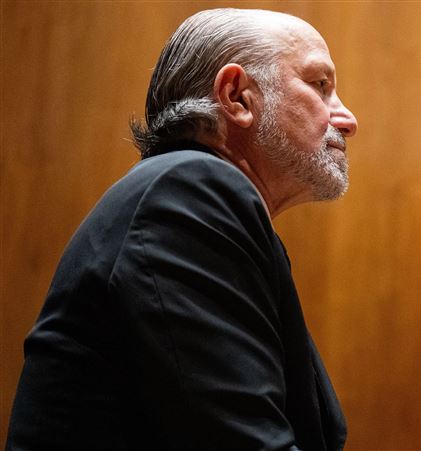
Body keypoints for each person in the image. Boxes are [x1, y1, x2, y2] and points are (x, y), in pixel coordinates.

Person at [6, 8, 357, 451]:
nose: (348, 120)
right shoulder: (187, 194)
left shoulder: (200, 202)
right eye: (320, 85)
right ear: (237, 96)